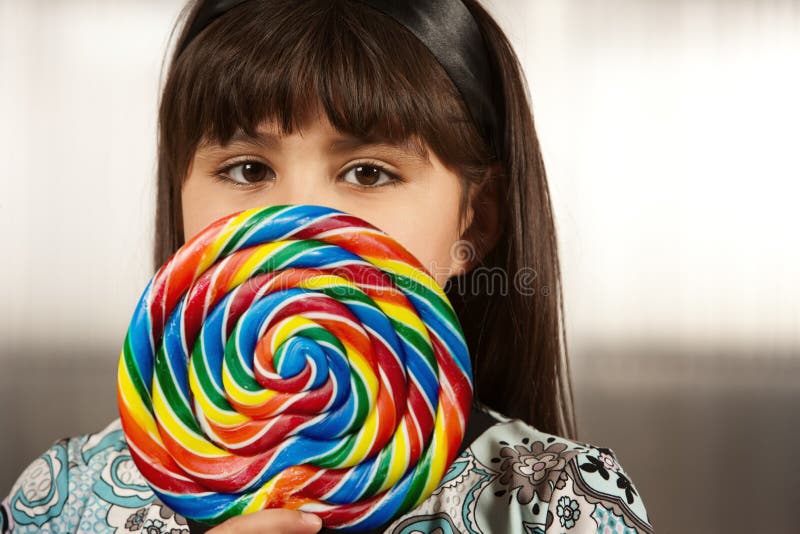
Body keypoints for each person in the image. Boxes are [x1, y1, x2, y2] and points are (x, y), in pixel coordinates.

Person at [1, 1, 655, 532]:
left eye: (368, 172)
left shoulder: (561, 509)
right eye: (248, 169)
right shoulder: (66, 501)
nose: (302, 219)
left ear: (472, 225)